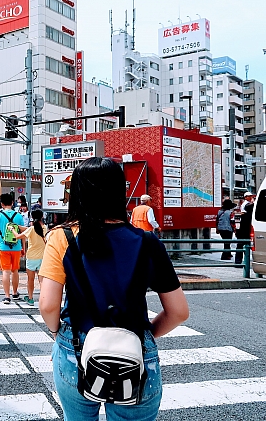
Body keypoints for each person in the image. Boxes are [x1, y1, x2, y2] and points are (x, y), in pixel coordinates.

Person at [38, 157, 189, 421]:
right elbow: (178, 312)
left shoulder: (62, 237)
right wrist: (144, 336)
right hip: (134, 350)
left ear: (78, 194)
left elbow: (49, 305)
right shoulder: (147, 242)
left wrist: (56, 333)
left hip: (76, 345)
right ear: (121, 192)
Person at [0, 193, 26, 304]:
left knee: (6, 271)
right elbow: (22, 233)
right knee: (15, 271)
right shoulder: (19, 216)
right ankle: (15, 293)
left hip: (3, 247)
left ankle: (7, 296)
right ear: (12, 202)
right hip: (16, 247)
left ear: (2, 203)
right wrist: (23, 247)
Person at [12, 209, 46, 306]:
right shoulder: (45, 228)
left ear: (32, 217)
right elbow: (28, 229)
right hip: (42, 257)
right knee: (42, 280)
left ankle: (30, 298)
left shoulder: (31, 229)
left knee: (30, 279)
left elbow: (18, 236)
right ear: (42, 217)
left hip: (31, 258)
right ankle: (44, 298)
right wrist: (20, 227)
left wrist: (13, 229)